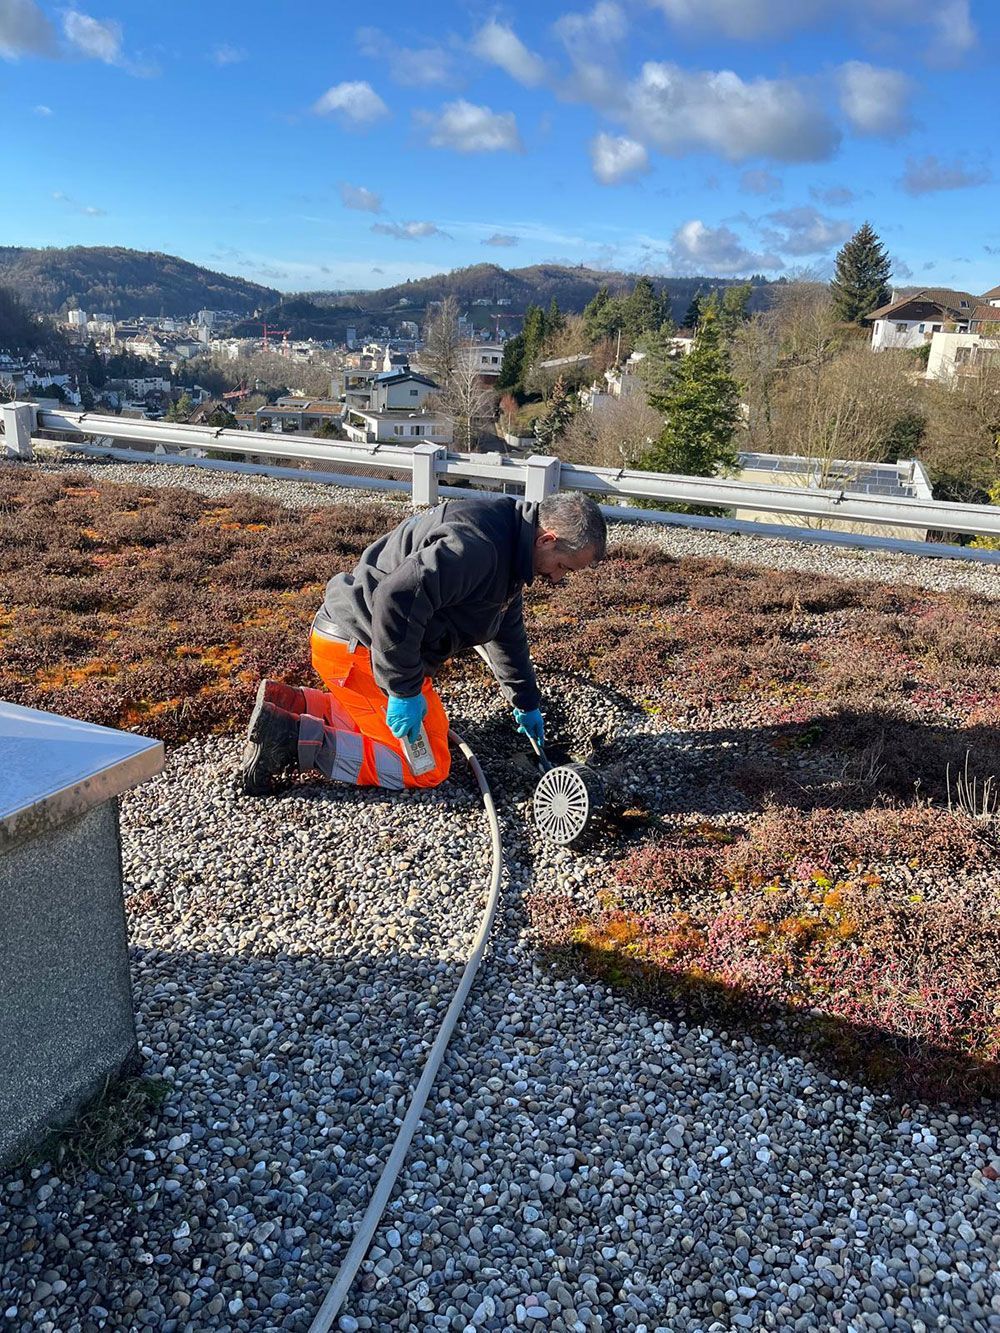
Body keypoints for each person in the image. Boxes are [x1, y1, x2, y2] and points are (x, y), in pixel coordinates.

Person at [241, 490, 607, 796]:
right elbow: (396, 596)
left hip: (361, 644)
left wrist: (526, 701)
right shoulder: (478, 548)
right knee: (426, 767)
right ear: (548, 539)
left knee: (424, 738)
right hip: (360, 648)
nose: (558, 579)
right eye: (563, 566)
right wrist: (402, 690)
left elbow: (505, 626)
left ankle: (295, 705)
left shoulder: (508, 540)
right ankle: (292, 741)